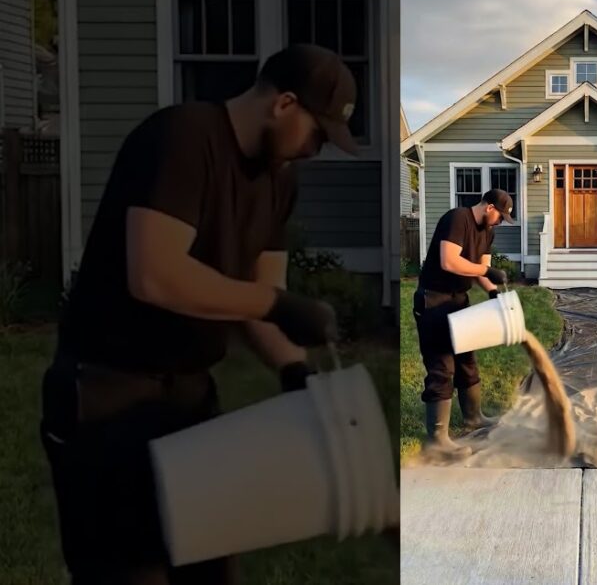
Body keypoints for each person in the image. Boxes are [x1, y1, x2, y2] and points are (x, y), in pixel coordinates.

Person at [41, 44, 357, 584]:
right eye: (317, 133)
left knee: (209, 568)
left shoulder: (279, 179)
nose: (314, 151)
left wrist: (296, 371)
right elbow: (157, 275)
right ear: (283, 104)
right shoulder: (182, 138)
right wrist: (278, 305)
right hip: (105, 395)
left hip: (188, 399)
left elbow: (260, 294)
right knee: (128, 570)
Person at [414, 189, 512, 451]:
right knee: (442, 366)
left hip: (459, 299)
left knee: (466, 360)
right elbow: (450, 261)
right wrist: (486, 270)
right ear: (489, 207)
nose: (500, 223)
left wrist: (493, 291)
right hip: (434, 299)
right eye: (500, 217)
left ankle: (473, 419)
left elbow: (481, 269)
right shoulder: (457, 219)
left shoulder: (487, 232)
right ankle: (437, 441)